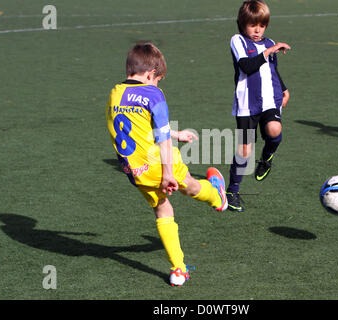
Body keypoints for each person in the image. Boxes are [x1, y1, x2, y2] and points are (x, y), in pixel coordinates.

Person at [106, 42, 228, 286]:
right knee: (191, 186)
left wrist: (176, 133)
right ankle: (218, 198)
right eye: (158, 79)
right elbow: (159, 138)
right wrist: (168, 173)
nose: (158, 84)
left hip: (135, 171)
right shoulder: (154, 94)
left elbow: (135, 129)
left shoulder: (116, 92)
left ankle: (178, 270)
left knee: (162, 209)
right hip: (158, 164)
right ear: (151, 74)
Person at [226, 0, 291, 212]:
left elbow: (272, 70)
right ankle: (232, 190)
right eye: (253, 25)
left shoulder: (269, 42)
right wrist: (267, 51)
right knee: (245, 151)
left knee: (275, 129)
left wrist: (284, 89)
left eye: (261, 26)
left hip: (270, 99)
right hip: (247, 104)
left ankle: (266, 159)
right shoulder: (238, 41)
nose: (257, 30)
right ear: (242, 23)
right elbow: (246, 66)